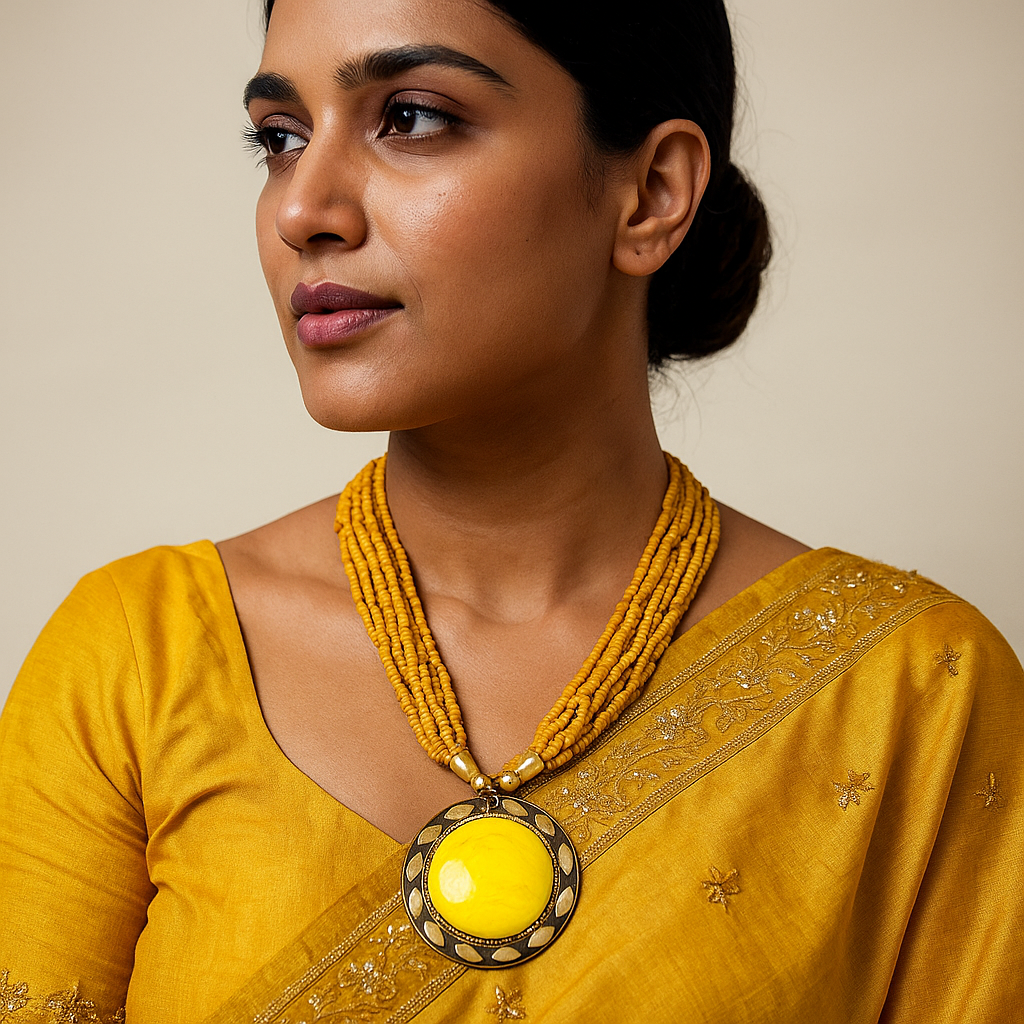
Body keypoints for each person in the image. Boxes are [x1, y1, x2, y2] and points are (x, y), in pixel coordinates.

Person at [1, 0, 1021, 1021]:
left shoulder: (909, 695)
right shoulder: (138, 660)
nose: (301, 209)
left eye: (410, 117)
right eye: (280, 137)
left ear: (650, 194)